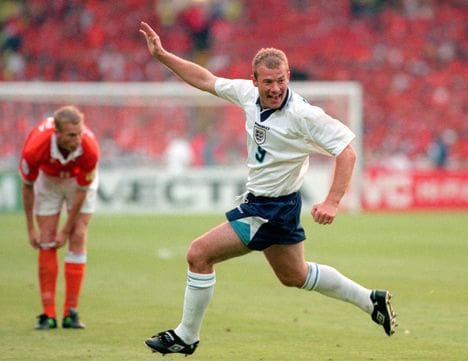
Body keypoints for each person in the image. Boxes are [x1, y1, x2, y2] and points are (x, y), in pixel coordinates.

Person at [139, 21, 397, 356]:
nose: (275, 88)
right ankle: (369, 300)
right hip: (274, 206)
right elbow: (205, 79)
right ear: (254, 80)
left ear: (288, 75)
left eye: (281, 80)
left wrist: (333, 201)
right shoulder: (247, 95)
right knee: (295, 275)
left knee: (198, 254)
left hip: (269, 209)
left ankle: (186, 336)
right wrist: (162, 56)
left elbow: (347, 152)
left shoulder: (304, 115)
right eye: (268, 82)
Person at [19, 105, 100, 330]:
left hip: (78, 181)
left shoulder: (90, 149)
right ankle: (48, 315)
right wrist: (30, 228)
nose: (77, 140)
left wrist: (66, 229)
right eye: (71, 135)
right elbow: (27, 187)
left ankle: (70, 313)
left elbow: (82, 191)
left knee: (78, 234)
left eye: (79, 133)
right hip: (48, 178)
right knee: (46, 238)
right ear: (57, 133)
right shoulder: (35, 148)